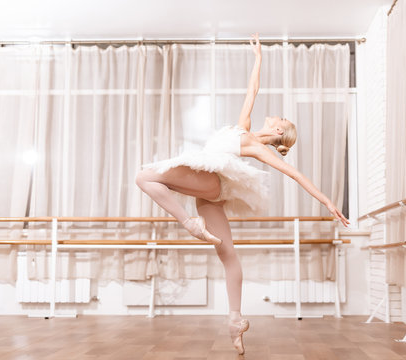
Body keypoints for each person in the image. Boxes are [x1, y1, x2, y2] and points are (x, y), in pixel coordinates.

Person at [135, 33, 349, 355]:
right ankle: (236, 323)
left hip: (211, 180)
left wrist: (328, 202)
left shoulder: (257, 147)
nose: (277, 115)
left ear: (279, 132)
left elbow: (295, 174)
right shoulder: (244, 128)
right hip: (210, 192)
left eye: (282, 119)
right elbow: (252, 89)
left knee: (143, 176)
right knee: (228, 255)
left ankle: (189, 224)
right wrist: (259, 57)